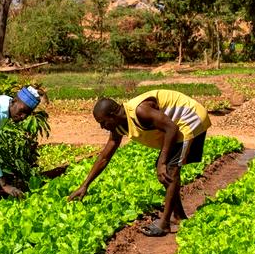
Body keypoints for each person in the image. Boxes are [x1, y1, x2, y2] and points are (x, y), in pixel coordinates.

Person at [68, 89, 211, 237]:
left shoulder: (140, 111)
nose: (102, 127)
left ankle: (164, 224)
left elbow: (172, 128)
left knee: (169, 170)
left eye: (102, 122)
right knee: (166, 171)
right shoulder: (118, 124)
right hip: (174, 125)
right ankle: (178, 216)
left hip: (189, 118)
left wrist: (162, 162)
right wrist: (85, 185)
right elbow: (105, 156)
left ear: (112, 115)